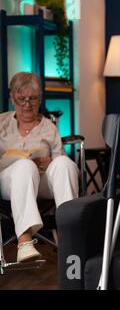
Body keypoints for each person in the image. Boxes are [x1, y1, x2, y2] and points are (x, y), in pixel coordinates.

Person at [0, 72, 79, 262]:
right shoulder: (1, 122)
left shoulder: (49, 127)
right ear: (12, 97)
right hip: (7, 181)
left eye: (33, 99)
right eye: (21, 99)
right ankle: (24, 240)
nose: (27, 104)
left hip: (41, 182)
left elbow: (60, 159)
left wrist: (51, 162)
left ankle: (71, 235)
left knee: (64, 164)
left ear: (40, 98)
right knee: (25, 166)